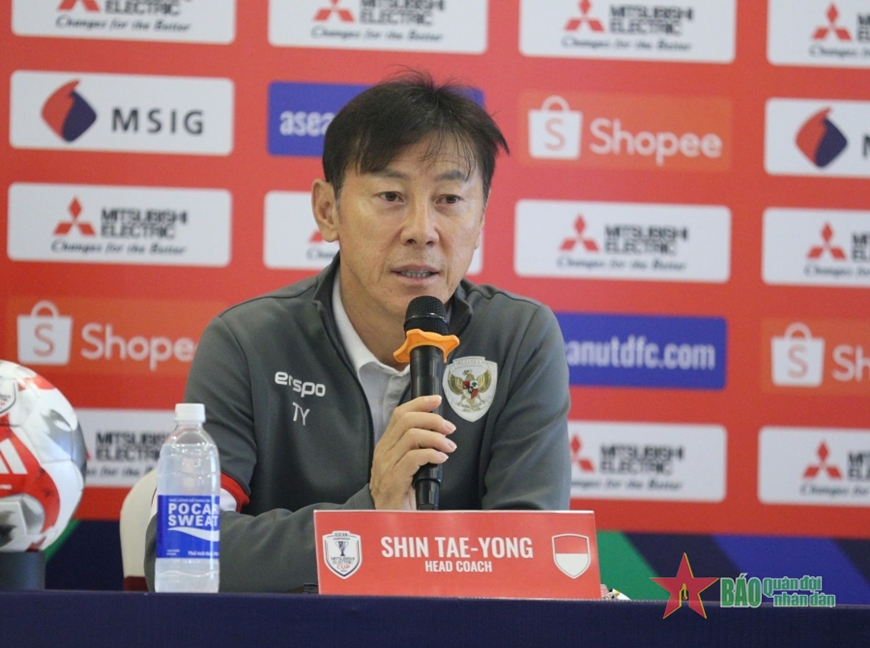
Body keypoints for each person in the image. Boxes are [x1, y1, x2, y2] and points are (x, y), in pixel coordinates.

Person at [145, 71, 571, 592]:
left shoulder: (519, 338)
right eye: (391, 195)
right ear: (328, 211)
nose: (421, 230)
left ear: (481, 217)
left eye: (449, 199)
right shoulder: (247, 343)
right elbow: (180, 550)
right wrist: (368, 515)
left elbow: (534, 561)